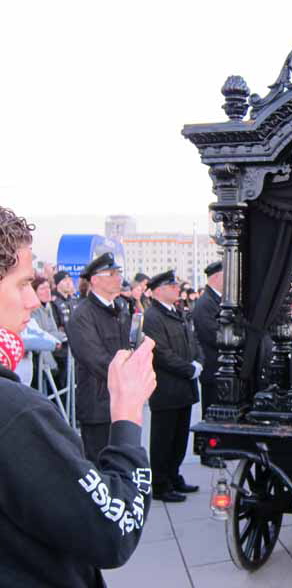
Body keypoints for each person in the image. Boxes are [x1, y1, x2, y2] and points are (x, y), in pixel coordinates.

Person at [0, 206, 157, 587]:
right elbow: (112, 528)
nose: (34, 301)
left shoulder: (121, 308)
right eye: (22, 285)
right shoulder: (16, 416)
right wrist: (127, 415)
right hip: (98, 401)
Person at [143, 270, 204, 502]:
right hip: (166, 387)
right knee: (163, 439)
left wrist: (199, 361)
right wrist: (189, 369)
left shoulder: (177, 311)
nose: (177, 288)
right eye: (172, 285)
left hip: (183, 387)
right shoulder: (153, 316)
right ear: (159, 290)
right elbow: (161, 353)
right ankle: (160, 484)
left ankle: (173, 475)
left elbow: (193, 340)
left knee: (179, 438)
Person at [67, 252, 132, 465]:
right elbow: (95, 359)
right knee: (100, 464)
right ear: (95, 280)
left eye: (118, 273)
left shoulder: (119, 308)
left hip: (120, 400)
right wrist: (128, 375)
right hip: (98, 404)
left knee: (122, 461)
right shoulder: (82, 314)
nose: (118, 278)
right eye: (111, 274)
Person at [192, 261, 222, 423]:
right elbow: (212, 335)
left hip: (220, 370)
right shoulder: (205, 303)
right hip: (213, 369)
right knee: (212, 417)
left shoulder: (217, 299)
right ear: (217, 277)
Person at [31, 276, 67, 389]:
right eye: (42, 288)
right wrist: (60, 336)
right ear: (34, 292)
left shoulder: (48, 306)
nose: (47, 291)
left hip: (52, 351)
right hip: (40, 359)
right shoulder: (33, 310)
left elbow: (53, 331)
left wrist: (60, 335)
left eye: (48, 288)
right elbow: (42, 334)